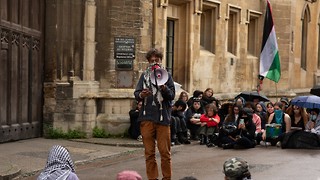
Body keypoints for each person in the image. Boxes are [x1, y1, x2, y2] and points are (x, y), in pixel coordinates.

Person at [134, 48, 175, 180]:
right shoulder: (144, 76)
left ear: (160, 61)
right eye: (151, 61)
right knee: (149, 153)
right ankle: (152, 178)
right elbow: (136, 94)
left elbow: (171, 96)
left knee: (165, 153)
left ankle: (166, 178)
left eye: (156, 60)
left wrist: (163, 87)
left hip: (163, 119)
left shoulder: (167, 76)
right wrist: (141, 94)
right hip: (147, 118)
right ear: (148, 62)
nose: (154, 63)